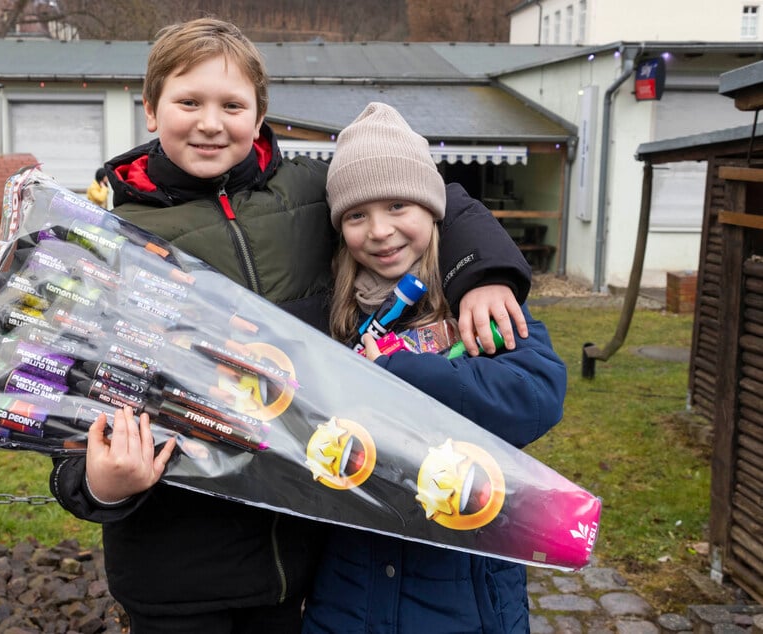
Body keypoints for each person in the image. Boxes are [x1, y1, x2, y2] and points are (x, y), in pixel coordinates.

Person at [49, 19, 533, 634]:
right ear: (150, 109)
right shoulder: (108, 234)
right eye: (188, 101)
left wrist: (484, 271)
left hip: (298, 564)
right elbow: (69, 394)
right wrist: (98, 485)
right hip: (172, 569)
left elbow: (432, 196)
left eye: (231, 104)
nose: (209, 122)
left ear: (259, 115)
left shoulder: (308, 193)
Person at [301, 102, 568, 633]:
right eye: (357, 215)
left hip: (464, 585)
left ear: (433, 209)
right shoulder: (330, 309)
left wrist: (406, 375)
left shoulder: (476, 300)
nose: (379, 231)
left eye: (399, 205)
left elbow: (537, 394)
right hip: (351, 587)